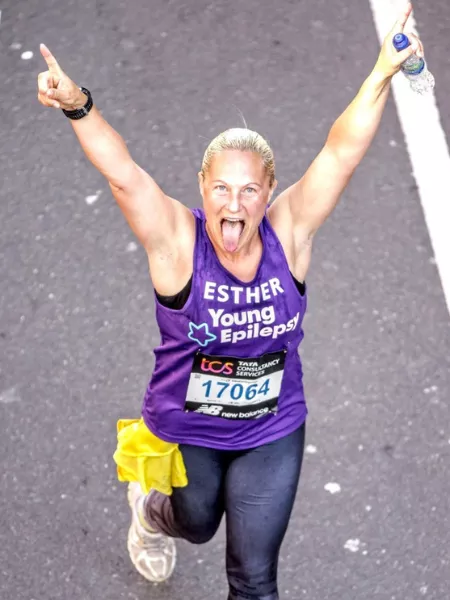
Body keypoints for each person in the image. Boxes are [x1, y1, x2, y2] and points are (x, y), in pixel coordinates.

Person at [37, 4, 424, 599]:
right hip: (189, 427)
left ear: (270, 192)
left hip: (271, 427)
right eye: (221, 187)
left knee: (254, 578)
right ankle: (150, 513)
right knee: (196, 522)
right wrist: (78, 105)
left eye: (249, 189)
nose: (234, 203)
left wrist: (380, 74)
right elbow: (125, 176)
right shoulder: (176, 243)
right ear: (202, 189)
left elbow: (340, 154)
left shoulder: (289, 233)